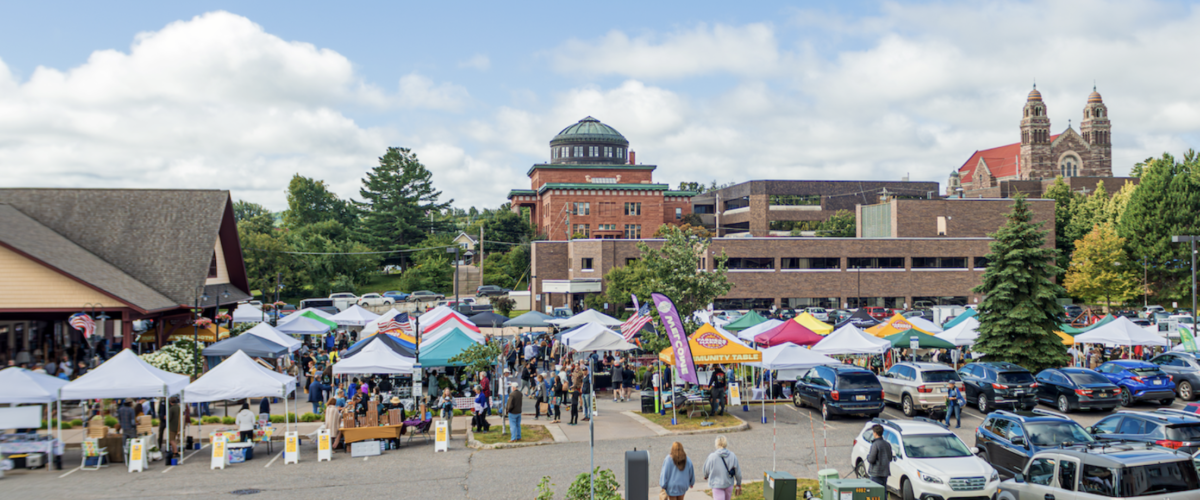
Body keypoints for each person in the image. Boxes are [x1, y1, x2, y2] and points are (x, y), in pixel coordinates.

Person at [702, 436, 742, 500]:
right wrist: (738, 483)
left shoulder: (712, 456)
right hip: (728, 483)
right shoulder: (732, 456)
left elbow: (706, 469)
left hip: (716, 484)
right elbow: (738, 472)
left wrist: (706, 475)